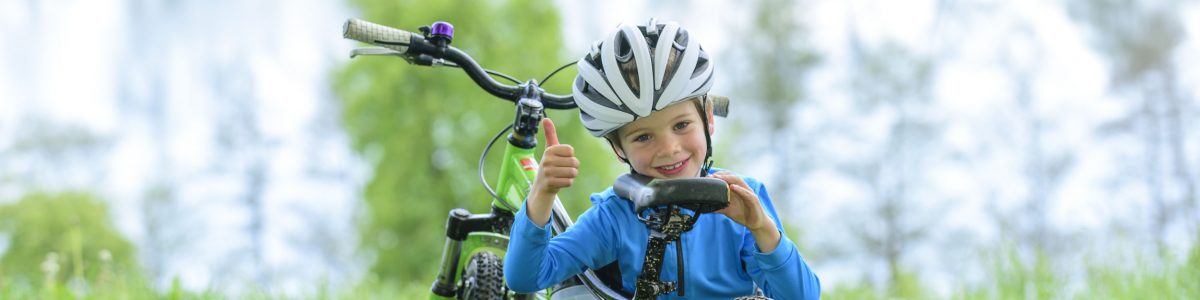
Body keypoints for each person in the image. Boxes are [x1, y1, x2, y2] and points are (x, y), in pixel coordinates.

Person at [505, 18, 820, 299]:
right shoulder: (615, 216)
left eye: (681, 125)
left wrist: (761, 227)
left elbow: (801, 296)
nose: (669, 148)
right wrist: (543, 193)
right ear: (618, 149)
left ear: (709, 118)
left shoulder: (742, 199)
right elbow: (526, 277)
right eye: (643, 137)